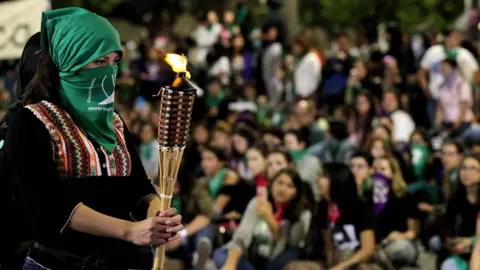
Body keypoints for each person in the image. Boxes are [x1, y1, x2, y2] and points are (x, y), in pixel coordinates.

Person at [5, 8, 182, 269]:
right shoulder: (30, 122)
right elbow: (50, 206)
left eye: (114, 62)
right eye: (99, 62)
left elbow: (137, 186)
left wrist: (155, 211)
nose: (109, 73)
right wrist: (129, 231)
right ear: (69, 61)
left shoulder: (113, 121)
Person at [213, 168, 311, 270]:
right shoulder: (259, 203)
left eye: (290, 186)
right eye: (279, 183)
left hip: (276, 262)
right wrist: (231, 264)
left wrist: (269, 219)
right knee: (220, 255)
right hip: (250, 258)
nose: (282, 189)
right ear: (272, 184)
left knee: (292, 253)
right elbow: (242, 235)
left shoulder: (302, 214)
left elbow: (287, 247)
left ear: (297, 192)